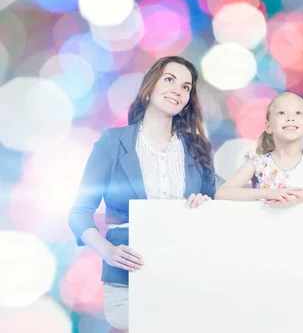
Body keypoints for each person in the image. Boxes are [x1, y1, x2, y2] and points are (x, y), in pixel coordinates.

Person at [68, 56, 215, 331]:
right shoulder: (112, 143)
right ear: (150, 86)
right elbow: (79, 213)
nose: (177, 90)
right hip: (128, 276)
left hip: (184, 270)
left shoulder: (197, 148)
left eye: (186, 87)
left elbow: (216, 205)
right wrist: (107, 251)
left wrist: (205, 204)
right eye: (169, 79)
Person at [214, 92, 303, 204]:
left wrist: (301, 195)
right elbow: (222, 194)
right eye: (281, 113)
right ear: (268, 126)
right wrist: (267, 193)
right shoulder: (257, 163)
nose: (290, 118)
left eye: (298, 113)